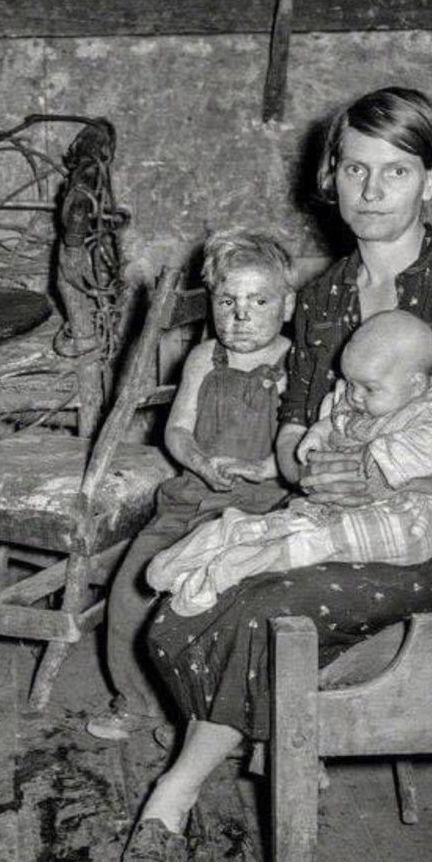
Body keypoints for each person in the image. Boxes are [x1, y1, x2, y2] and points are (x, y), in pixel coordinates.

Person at [118, 86, 432, 862]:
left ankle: (173, 794)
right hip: (330, 504)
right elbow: (291, 433)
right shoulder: (322, 298)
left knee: (255, 606)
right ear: (330, 177)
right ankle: (276, 733)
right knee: (185, 603)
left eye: (397, 171)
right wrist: (312, 469)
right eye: (354, 169)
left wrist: (384, 472)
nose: (372, 192)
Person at [147, 309, 432, 615]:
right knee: (298, 519)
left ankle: (235, 566)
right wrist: (319, 436)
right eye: (350, 383)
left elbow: (430, 448)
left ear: (415, 385)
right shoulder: (367, 395)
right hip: (345, 505)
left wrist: (369, 464)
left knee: (321, 541)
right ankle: (229, 534)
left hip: (408, 515)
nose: (354, 396)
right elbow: (339, 419)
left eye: (368, 388)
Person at [84, 229, 293, 741]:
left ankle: (211, 717)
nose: (240, 315)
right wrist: (199, 460)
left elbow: (306, 442)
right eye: (227, 301)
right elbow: (176, 430)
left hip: (263, 505)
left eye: (258, 301)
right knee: (135, 589)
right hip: (193, 498)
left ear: (286, 306)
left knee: (228, 601)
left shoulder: (297, 363)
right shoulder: (204, 359)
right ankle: (138, 702)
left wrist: (270, 467)